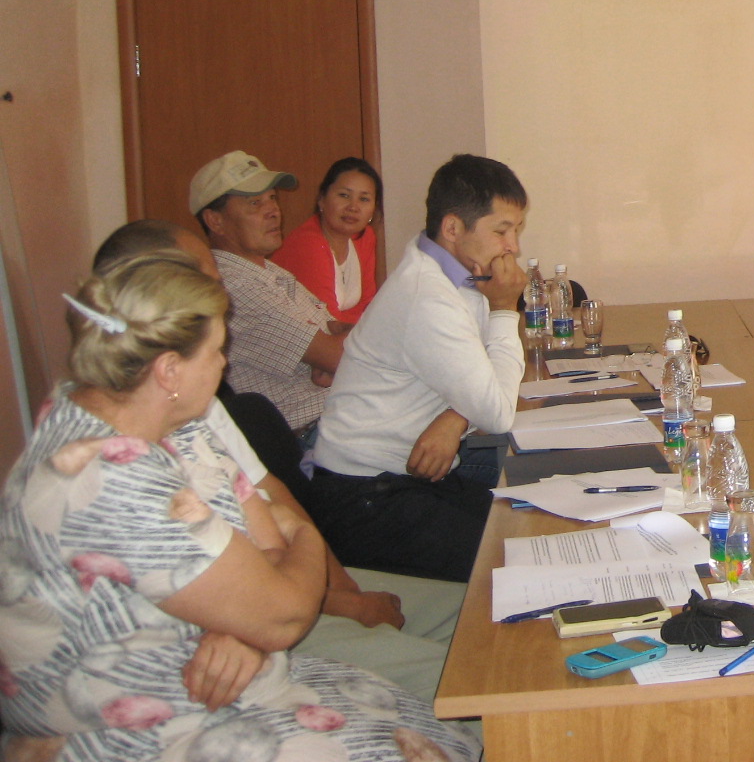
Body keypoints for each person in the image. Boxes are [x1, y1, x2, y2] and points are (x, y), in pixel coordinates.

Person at [0, 255, 475, 761]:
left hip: (236, 680)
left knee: (470, 695)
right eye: (216, 351)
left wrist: (250, 621)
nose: (224, 365)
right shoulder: (107, 475)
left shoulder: (171, 420)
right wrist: (297, 547)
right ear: (169, 370)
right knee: (460, 717)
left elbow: (269, 552)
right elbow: (285, 609)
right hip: (149, 730)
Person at [90, 219, 466, 706]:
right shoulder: (121, 461)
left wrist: (344, 593)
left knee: (480, 609)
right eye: (206, 283)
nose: (224, 302)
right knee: (468, 674)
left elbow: (271, 499)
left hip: (279, 593)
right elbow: (273, 601)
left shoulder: (192, 409)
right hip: (252, 624)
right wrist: (316, 575)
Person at [310, 155, 528, 583]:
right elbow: (499, 413)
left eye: (516, 231)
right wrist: (505, 309)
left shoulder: (452, 271)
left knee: (524, 526)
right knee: (512, 563)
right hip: (363, 495)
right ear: (452, 228)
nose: (513, 247)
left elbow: (481, 377)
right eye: (502, 231)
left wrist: (455, 415)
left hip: (406, 474)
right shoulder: (427, 296)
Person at [191, 150, 349, 439]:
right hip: (314, 432)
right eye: (255, 203)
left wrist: (336, 346)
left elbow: (341, 336)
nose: (274, 211)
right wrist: (332, 350)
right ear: (215, 221)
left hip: (341, 412)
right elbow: (340, 356)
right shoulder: (233, 285)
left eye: (272, 198)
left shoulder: (269, 272)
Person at [273, 158, 384, 325]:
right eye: (344, 195)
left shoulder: (365, 237)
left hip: (344, 335)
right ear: (322, 199)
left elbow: (368, 305)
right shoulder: (308, 244)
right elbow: (327, 322)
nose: (353, 207)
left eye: (364, 199)